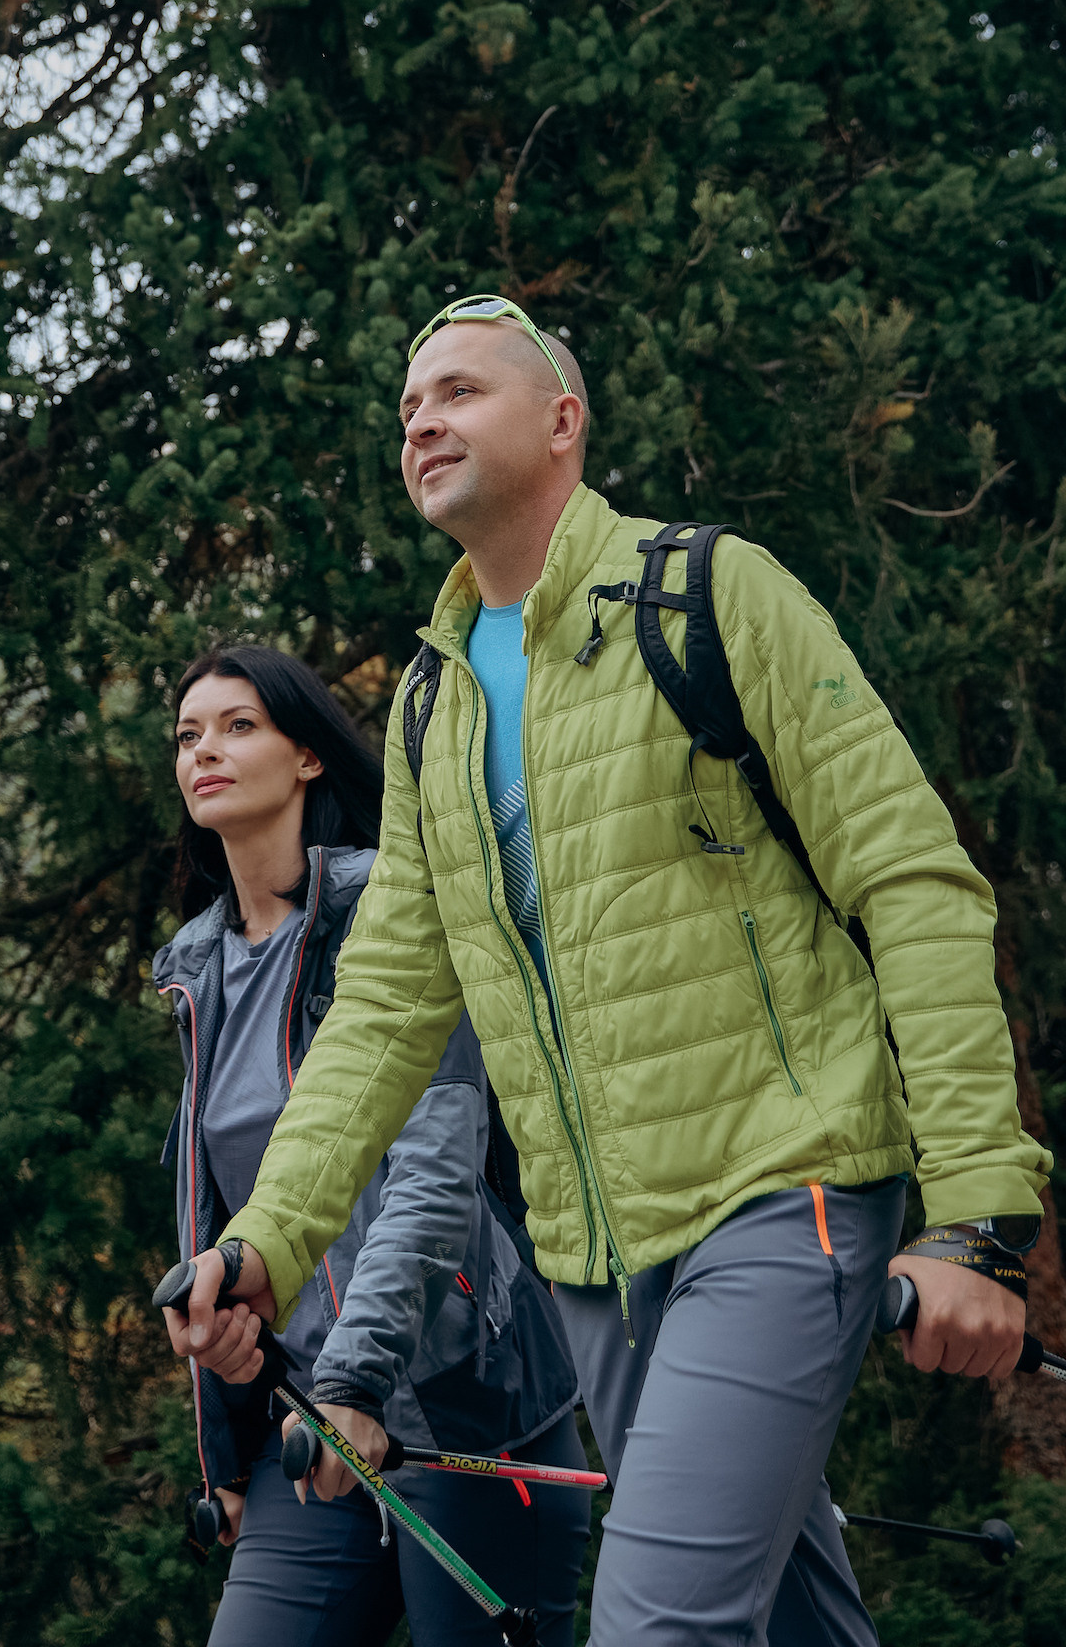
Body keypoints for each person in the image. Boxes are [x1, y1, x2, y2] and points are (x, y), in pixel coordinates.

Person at [165, 299, 1051, 1646]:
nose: (424, 422)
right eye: (410, 408)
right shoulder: (432, 705)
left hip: (784, 1191)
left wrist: (979, 1214)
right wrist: (267, 1242)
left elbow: (912, 881)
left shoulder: (708, 595)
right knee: (798, 1623)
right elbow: (387, 1016)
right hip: (597, 1266)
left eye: (459, 392)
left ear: (562, 422)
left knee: (657, 1628)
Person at [155, 642, 591, 1647]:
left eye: (237, 725)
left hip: (461, 1416)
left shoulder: (389, 910)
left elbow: (434, 1174)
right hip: (301, 1433)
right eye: (186, 735)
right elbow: (218, 1219)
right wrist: (225, 1437)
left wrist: (358, 1380)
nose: (203, 751)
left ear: (307, 756)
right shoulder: (197, 972)